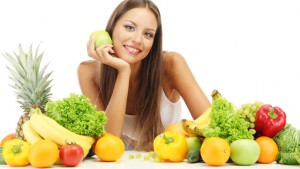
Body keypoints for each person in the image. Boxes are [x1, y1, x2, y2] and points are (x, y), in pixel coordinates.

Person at [77, 0, 211, 151]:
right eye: (129, 27)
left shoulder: (171, 64)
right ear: (112, 27)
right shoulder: (88, 72)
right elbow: (108, 144)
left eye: (148, 34)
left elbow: (211, 127)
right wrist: (123, 71)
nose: (137, 40)